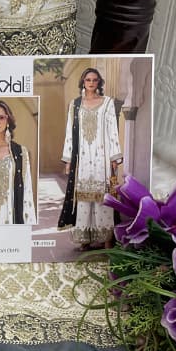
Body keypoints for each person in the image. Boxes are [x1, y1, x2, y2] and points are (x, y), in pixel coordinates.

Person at [58, 67, 123, 245]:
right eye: (88, 80)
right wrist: (68, 160)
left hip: (102, 156)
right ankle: (85, 239)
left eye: (95, 80)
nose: (91, 83)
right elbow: (70, 132)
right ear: (83, 82)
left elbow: (112, 130)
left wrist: (114, 157)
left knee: (103, 197)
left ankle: (106, 238)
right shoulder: (75, 104)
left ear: (99, 82)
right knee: (83, 197)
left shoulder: (107, 103)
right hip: (83, 157)